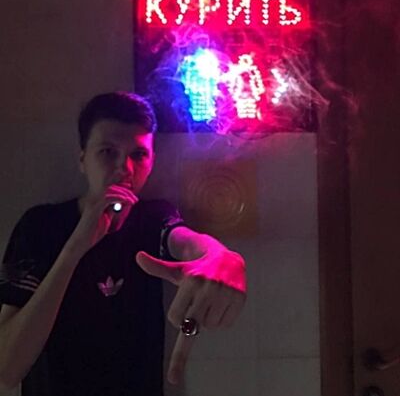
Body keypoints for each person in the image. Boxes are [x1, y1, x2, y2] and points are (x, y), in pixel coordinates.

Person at [0, 91, 246, 396]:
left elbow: (186, 242)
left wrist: (220, 256)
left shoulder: (152, 218)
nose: (125, 169)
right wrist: (75, 247)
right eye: (107, 152)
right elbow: (6, 370)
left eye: (138, 154)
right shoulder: (40, 226)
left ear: (152, 160)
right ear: (82, 160)